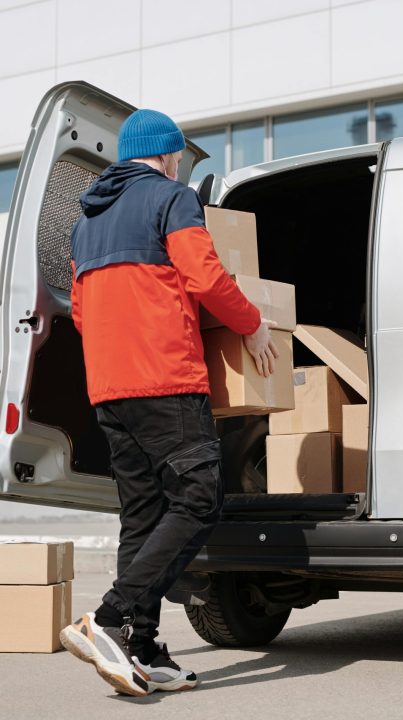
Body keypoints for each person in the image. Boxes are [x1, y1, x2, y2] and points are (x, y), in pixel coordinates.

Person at [59, 109, 278, 696]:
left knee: (143, 515)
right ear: (168, 154)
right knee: (199, 500)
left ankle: (142, 645)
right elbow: (204, 277)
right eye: (178, 156)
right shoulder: (172, 199)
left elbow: (81, 312)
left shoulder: (85, 223)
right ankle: (108, 618)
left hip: (109, 387)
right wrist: (253, 325)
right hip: (165, 378)